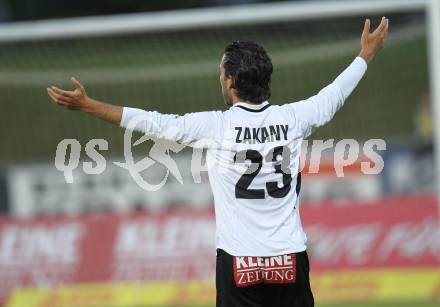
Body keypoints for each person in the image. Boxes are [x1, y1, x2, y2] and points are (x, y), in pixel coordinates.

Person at [47, 17, 388, 307]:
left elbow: (152, 122)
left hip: (238, 262)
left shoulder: (216, 126)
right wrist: (366, 56)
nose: (219, 77)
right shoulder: (295, 118)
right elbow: (333, 95)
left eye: (221, 72)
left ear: (231, 81)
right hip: (289, 259)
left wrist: (89, 105)